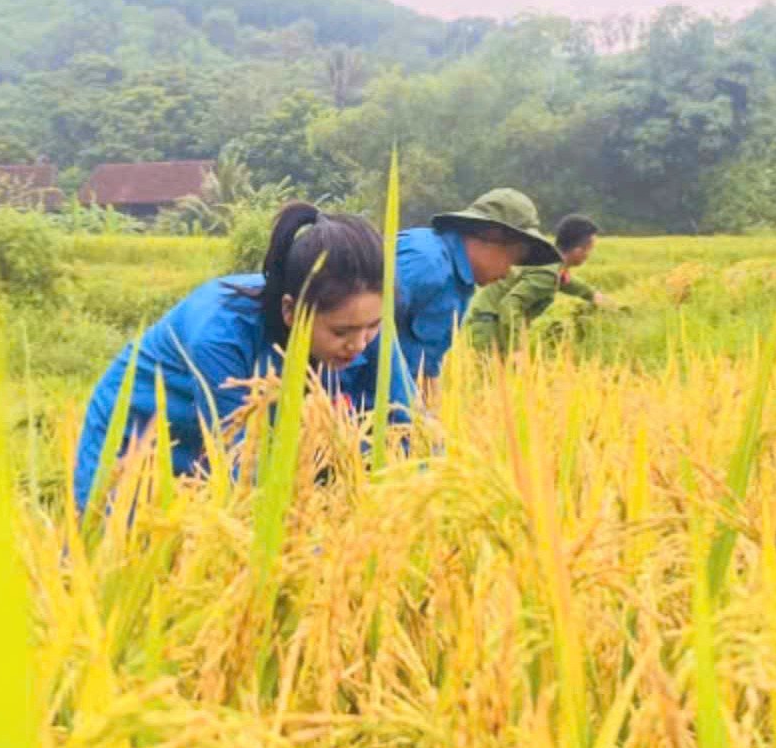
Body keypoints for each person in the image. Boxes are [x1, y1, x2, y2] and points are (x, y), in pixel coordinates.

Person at [73, 201, 413, 509]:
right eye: (340, 332)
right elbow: (239, 469)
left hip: (234, 445)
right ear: (291, 312)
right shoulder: (220, 333)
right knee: (125, 558)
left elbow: (409, 428)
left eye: (373, 326)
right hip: (140, 443)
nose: (359, 344)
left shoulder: (366, 328)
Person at [392, 188, 561, 379]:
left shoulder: (460, 285)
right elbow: (358, 333)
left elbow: (425, 369)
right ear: (491, 234)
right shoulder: (426, 262)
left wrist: (430, 408)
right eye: (511, 259)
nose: (507, 273)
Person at [464, 212, 609, 352]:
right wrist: (516, 349)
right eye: (589, 249)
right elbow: (509, 305)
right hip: (491, 326)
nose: (589, 254)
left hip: (492, 321)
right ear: (578, 251)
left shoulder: (549, 260)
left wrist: (592, 294)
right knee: (495, 375)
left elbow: (564, 281)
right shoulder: (549, 273)